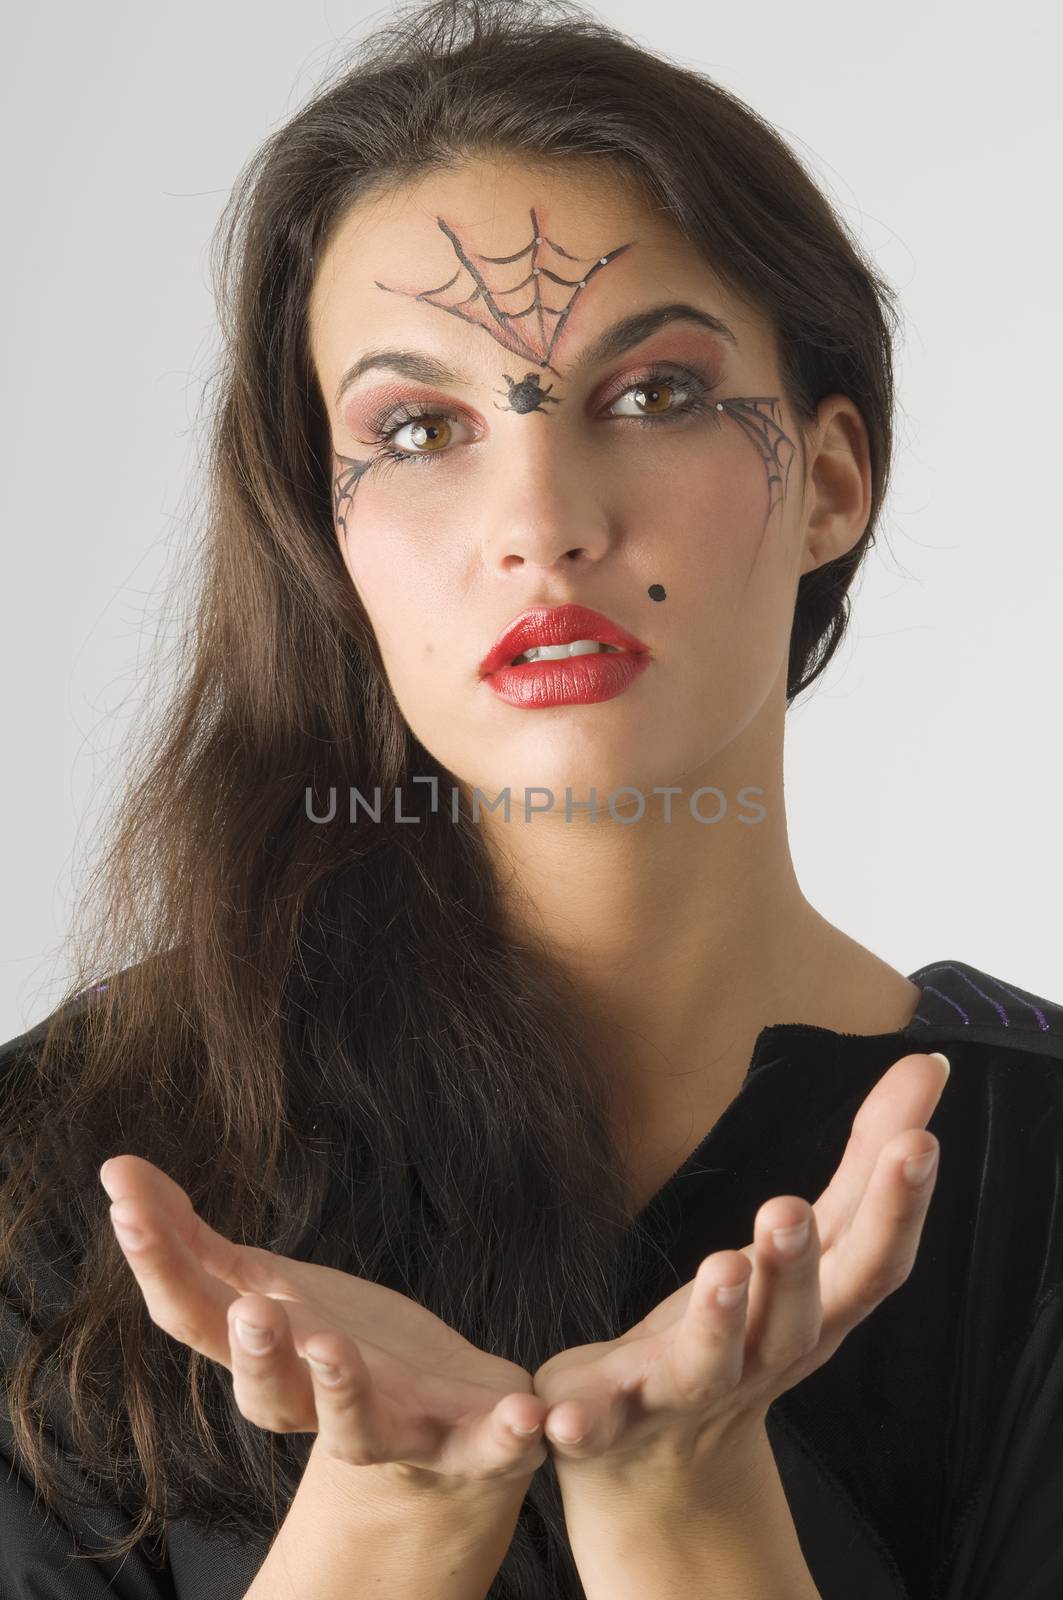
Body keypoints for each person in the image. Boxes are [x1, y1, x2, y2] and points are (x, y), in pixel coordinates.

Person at [2, 1, 1061, 1597]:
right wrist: (396, 1511)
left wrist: (683, 1504)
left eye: (655, 395)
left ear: (834, 479)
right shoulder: (67, 1185)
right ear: (332, 540)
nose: (543, 523)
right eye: (417, 429)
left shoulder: (1038, 1185)